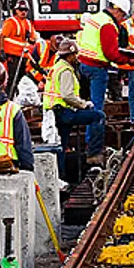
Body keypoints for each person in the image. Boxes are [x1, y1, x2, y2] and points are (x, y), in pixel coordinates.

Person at [76, 0, 134, 165]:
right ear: (117, 10)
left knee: (87, 106)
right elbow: (110, 53)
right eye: (122, 15)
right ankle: (94, 151)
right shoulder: (108, 25)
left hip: (84, 66)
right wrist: (127, 60)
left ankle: (88, 143)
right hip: (97, 69)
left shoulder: (95, 18)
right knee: (97, 111)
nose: (122, 19)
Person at [43, 40, 104, 177]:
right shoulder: (66, 70)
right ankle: (94, 154)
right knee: (98, 116)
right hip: (64, 112)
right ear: (69, 55)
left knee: (61, 146)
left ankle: (61, 176)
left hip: (54, 112)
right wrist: (83, 104)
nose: (77, 57)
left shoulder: (57, 67)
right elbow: (67, 95)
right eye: (75, 54)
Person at [0, 0, 38, 97]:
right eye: (21, 10)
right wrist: (2, 51)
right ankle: (9, 97)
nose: (23, 12)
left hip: (24, 56)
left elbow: (33, 40)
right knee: (12, 78)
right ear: (16, 10)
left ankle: (18, 96)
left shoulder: (28, 24)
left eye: (25, 10)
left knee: (22, 78)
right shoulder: (11, 22)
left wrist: (29, 38)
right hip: (13, 55)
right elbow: (2, 37)